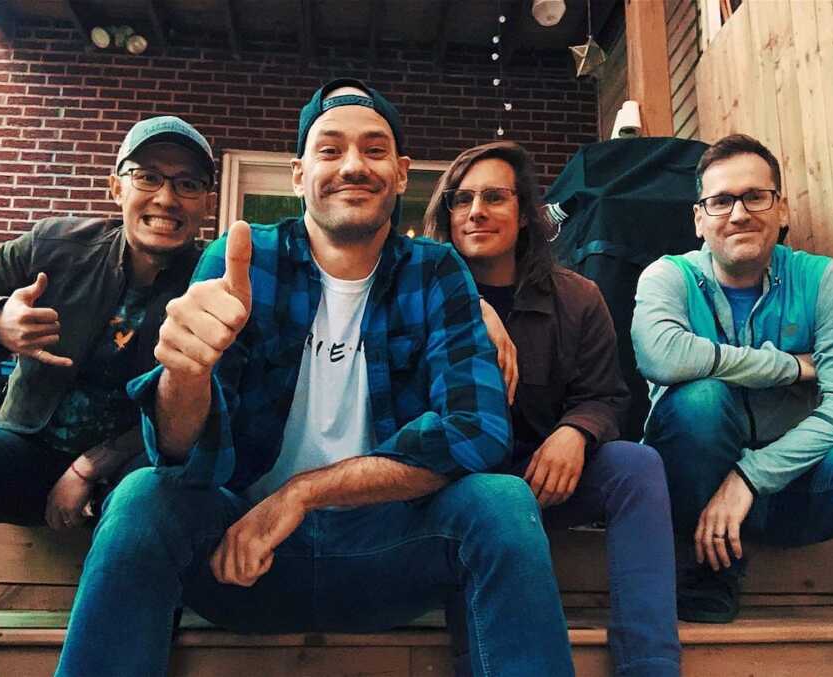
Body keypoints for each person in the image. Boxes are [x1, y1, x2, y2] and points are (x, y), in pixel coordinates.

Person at [55, 79, 573, 676]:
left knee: (502, 500)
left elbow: (477, 433)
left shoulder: (436, 272)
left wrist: (301, 494)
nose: (353, 165)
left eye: (374, 150)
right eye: (330, 150)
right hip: (242, 559)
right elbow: (181, 460)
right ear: (299, 175)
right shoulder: (243, 260)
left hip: (388, 556)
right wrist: (185, 378)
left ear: (402, 173)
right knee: (143, 494)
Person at [424, 141, 681, 677]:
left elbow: (606, 395)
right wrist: (467, 303)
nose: (476, 211)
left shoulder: (578, 298)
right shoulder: (417, 293)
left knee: (637, 466)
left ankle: (649, 662)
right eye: (461, 198)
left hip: (546, 474)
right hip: (457, 491)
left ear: (524, 214)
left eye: (495, 196)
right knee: (494, 501)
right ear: (445, 214)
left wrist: (577, 432)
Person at [632, 133, 833, 623]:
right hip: (689, 492)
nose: (738, 214)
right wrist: (791, 366)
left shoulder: (825, 280)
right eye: (720, 201)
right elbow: (662, 358)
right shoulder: (668, 276)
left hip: (792, 491)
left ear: (781, 208)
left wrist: (749, 476)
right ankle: (709, 570)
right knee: (701, 400)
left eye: (756, 196)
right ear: (698, 218)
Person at [0, 115, 216, 530]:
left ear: (206, 201)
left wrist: (91, 466)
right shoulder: (54, 246)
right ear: (116, 187)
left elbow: (217, 405)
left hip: (136, 472)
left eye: (188, 184)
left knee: (152, 504)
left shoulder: (213, 280)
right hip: (25, 444)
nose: (167, 198)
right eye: (147, 177)